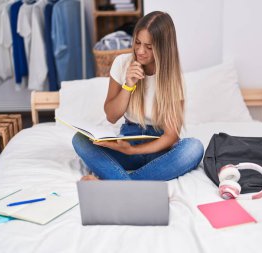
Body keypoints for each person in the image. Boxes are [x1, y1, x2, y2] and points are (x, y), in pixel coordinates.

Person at [72, 11, 204, 181]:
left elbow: (170, 136)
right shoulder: (122, 63)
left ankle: (120, 183)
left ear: (163, 48)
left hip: (159, 150)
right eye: (138, 43)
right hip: (128, 141)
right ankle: (132, 185)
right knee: (80, 139)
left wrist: (134, 150)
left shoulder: (172, 77)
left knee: (194, 147)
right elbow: (111, 116)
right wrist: (128, 85)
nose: (140, 51)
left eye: (149, 47)